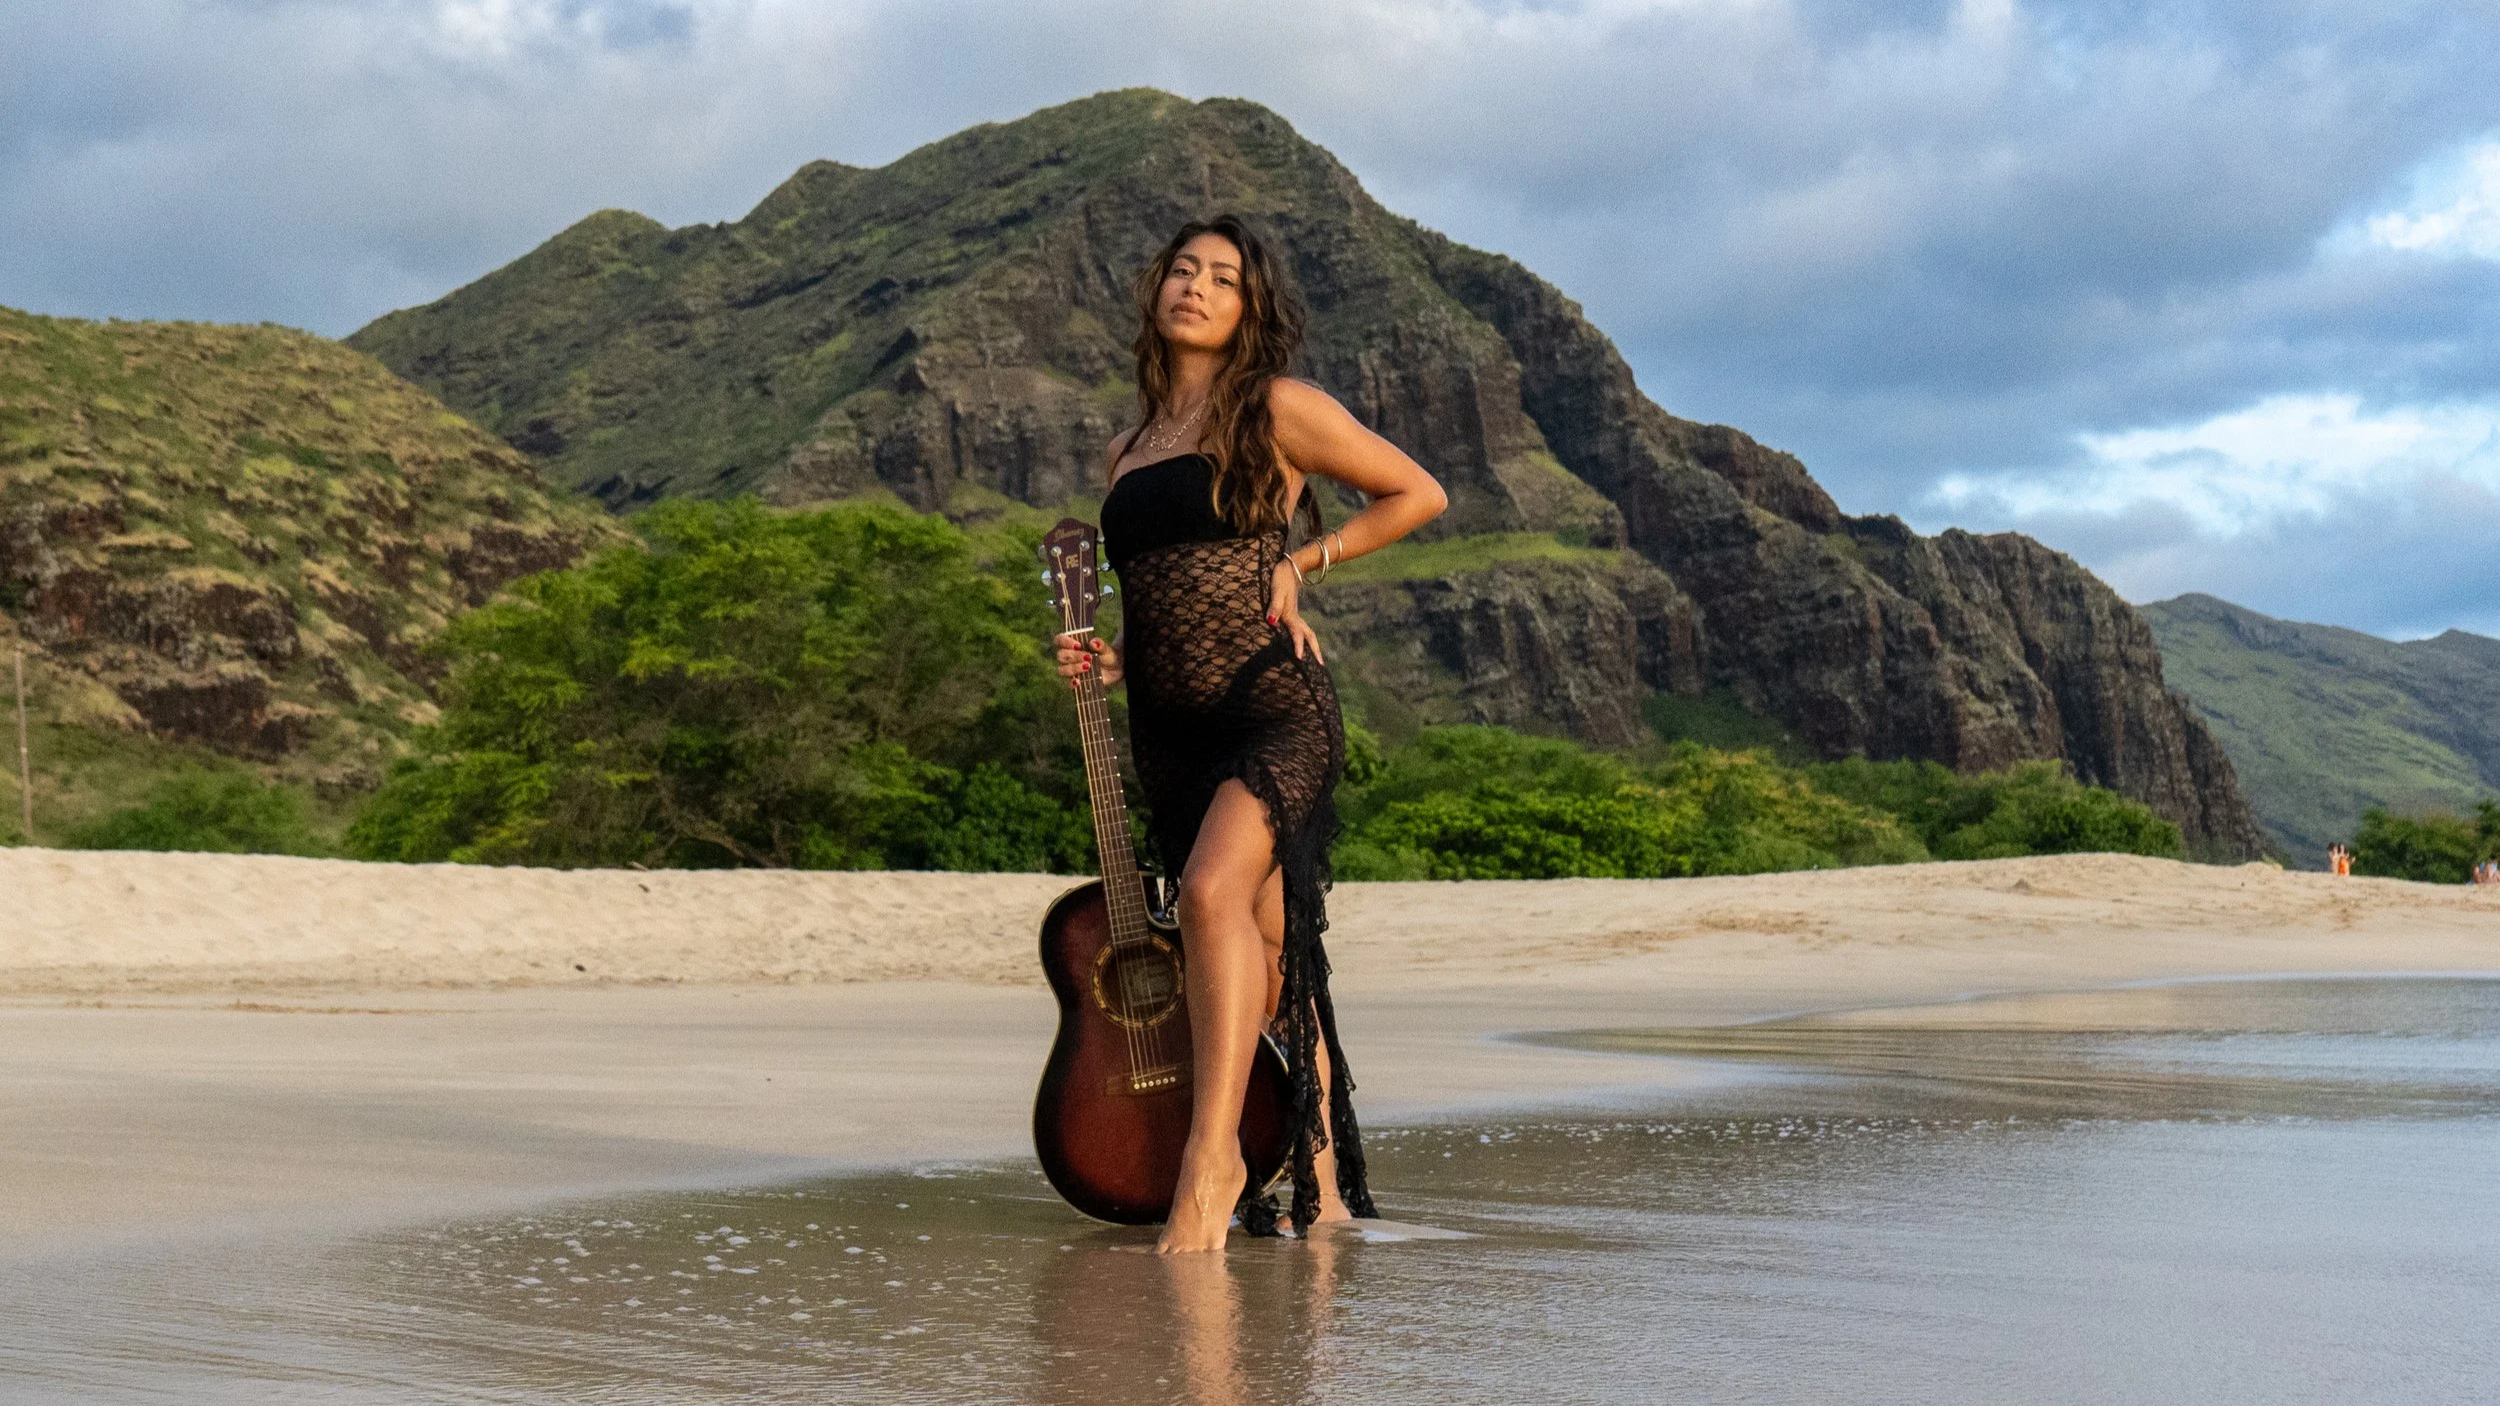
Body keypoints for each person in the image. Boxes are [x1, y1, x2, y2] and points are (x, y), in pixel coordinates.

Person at [1054, 215, 1447, 1253]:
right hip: (1168, 731)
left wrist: (1303, 563)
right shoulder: (1125, 448)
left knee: (1210, 893)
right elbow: (1153, 594)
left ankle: (1210, 1158)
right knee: (1269, 960)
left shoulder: (1277, 407)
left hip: (1273, 705)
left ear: (1248, 308)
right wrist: (1111, 659)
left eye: (1221, 277)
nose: (1194, 286)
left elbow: (1417, 492)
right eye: (1181, 267)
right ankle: (1316, 1195)